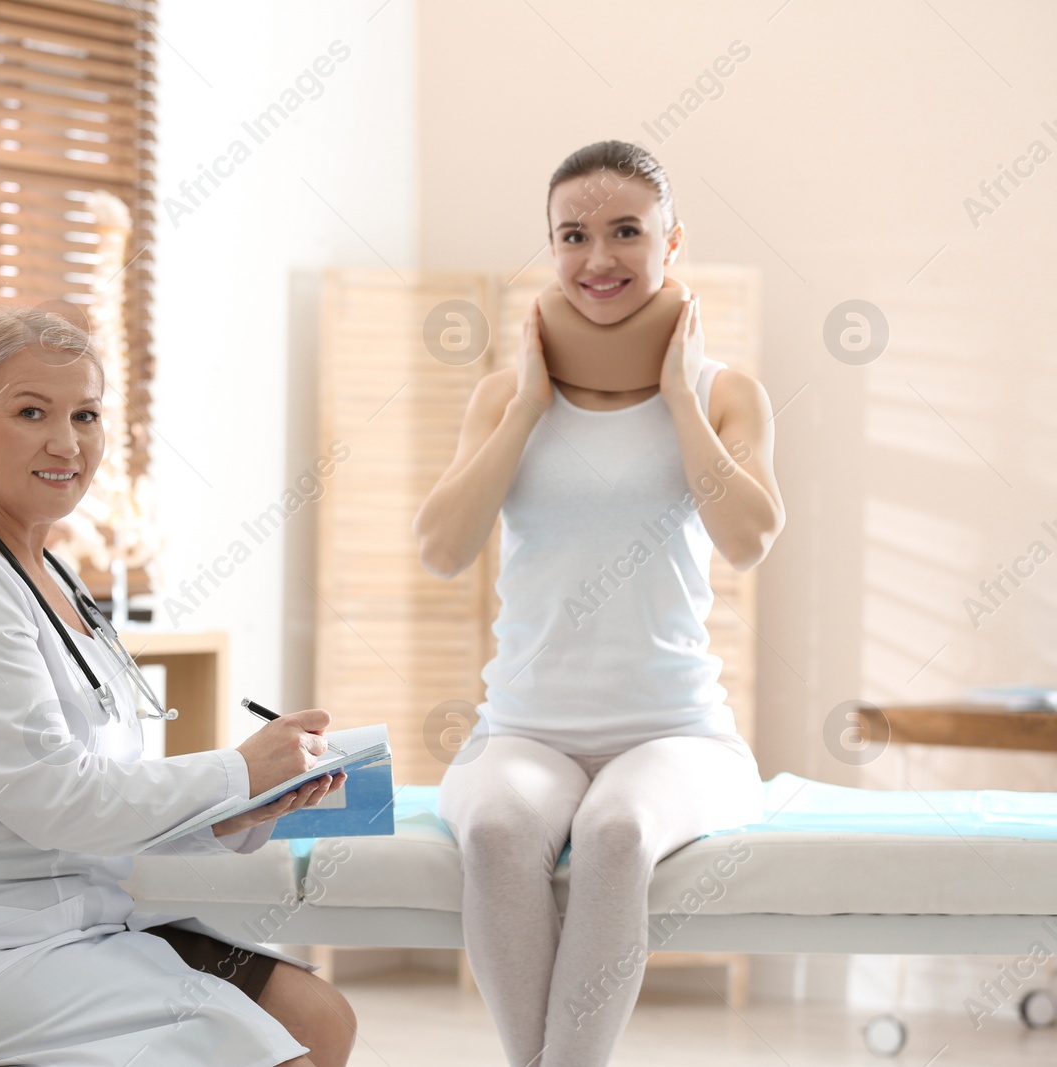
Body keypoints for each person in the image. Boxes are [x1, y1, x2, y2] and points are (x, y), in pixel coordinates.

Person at [0, 306, 357, 1067]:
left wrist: (246, 804)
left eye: (86, 414)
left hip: (74, 917)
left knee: (321, 1018)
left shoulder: (50, 571)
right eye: (31, 411)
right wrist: (238, 768)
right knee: (276, 1058)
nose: (66, 442)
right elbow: (54, 797)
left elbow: (108, 791)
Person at [416, 140, 785, 1067]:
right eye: (573, 235)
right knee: (500, 831)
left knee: (616, 832)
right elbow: (442, 548)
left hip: (675, 733)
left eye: (627, 231)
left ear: (672, 244)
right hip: (525, 730)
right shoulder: (505, 395)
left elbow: (749, 537)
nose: (598, 258)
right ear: (550, 248)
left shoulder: (726, 393)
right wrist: (528, 408)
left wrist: (676, 397)